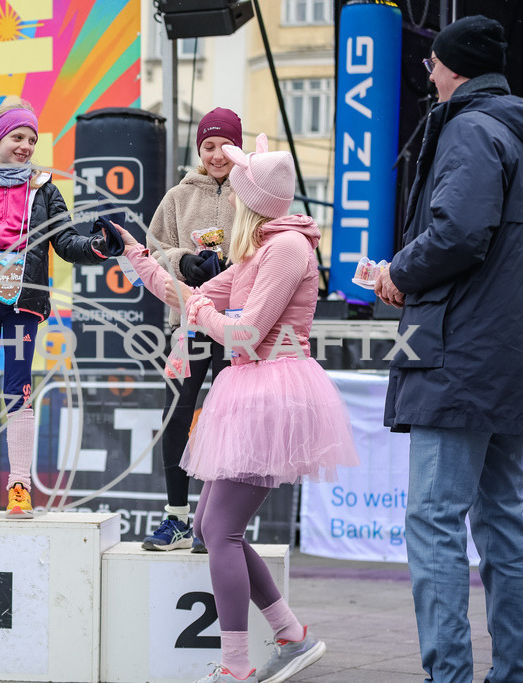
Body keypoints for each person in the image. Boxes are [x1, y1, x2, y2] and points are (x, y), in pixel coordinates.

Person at [118, 134, 359, 682]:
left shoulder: (287, 249)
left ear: (252, 200)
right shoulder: (261, 249)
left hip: (272, 389)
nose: (227, 197)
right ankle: (290, 633)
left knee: (219, 531)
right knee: (212, 526)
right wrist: (135, 252)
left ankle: (236, 666)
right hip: (253, 388)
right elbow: (186, 294)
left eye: (236, 190)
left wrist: (201, 312)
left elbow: (245, 334)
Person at [374, 15, 523, 683]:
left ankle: (450, 675)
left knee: (434, 521)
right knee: (506, 526)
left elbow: (459, 232)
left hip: (458, 356)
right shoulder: (514, 126)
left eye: (433, 64)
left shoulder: (467, 128)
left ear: (454, 69)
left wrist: (395, 273)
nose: (427, 76)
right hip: (509, 358)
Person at [0, 98, 108, 518]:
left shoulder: (44, 188)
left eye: (31, 139)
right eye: (17, 137)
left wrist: (96, 245)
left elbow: (66, 242)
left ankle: (20, 486)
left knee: (18, 388)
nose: (26, 146)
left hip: (23, 303)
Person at [143, 107, 242, 554]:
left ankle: (212, 521)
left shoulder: (252, 190)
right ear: (199, 150)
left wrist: (234, 264)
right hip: (186, 324)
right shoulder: (179, 197)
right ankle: (177, 518)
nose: (217, 154)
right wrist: (183, 261)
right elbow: (153, 249)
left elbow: (268, 245)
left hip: (238, 325)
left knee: (227, 419)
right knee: (177, 416)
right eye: (208, 146)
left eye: (224, 145)